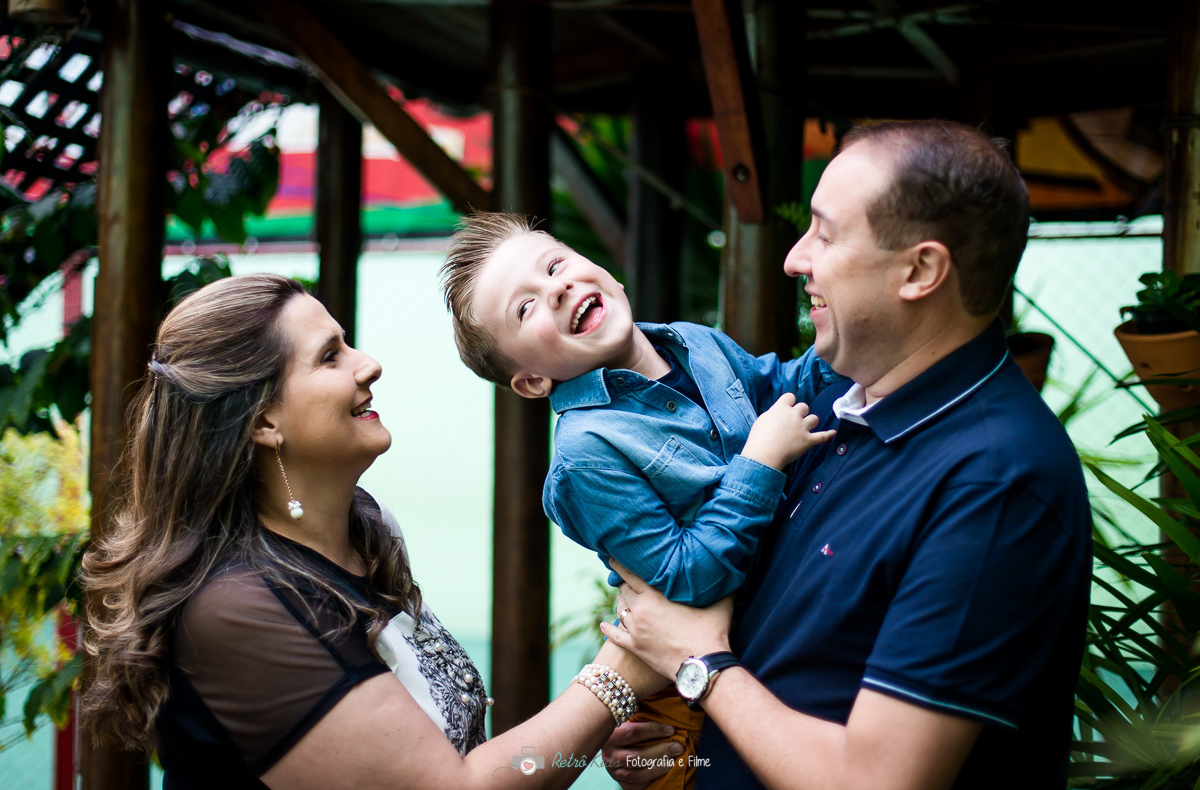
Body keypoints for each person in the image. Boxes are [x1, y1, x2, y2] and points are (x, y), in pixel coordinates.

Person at [601, 120, 1092, 790]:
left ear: (920, 269)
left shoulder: (996, 478)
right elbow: (793, 669)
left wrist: (697, 665)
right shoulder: (827, 407)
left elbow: (877, 780)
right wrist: (691, 748)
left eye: (825, 234)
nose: (794, 258)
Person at [80, 273, 665, 790]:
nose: (369, 364)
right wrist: (629, 666)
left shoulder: (365, 528)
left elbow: (439, 749)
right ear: (262, 420)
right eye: (330, 356)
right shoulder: (233, 608)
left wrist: (588, 740)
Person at [439, 211, 839, 788]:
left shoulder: (692, 341)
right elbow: (683, 581)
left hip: (783, 639)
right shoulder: (585, 453)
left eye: (554, 265)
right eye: (524, 308)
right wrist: (760, 462)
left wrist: (850, 339)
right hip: (691, 700)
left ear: (606, 274)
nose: (555, 289)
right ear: (530, 380)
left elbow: (777, 385)